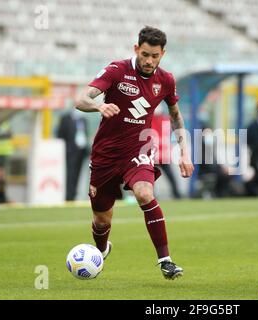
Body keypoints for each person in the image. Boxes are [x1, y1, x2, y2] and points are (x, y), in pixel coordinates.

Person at [74, 26, 194, 280]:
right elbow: (81, 99)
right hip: (105, 155)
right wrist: (99, 106)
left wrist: (185, 152)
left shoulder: (166, 80)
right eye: (145, 54)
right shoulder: (117, 70)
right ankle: (100, 250)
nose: (149, 61)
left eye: (155, 56)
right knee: (101, 219)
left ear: (163, 54)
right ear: (136, 49)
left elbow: (176, 117)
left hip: (138, 149)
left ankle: (166, 260)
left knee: (144, 193)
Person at [57, 109, 89, 201]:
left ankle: (74, 194)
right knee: (70, 173)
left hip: (81, 151)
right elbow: (60, 134)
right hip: (70, 151)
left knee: (77, 174)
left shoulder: (83, 120)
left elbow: (84, 134)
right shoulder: (66, 119)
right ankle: (68, 196)